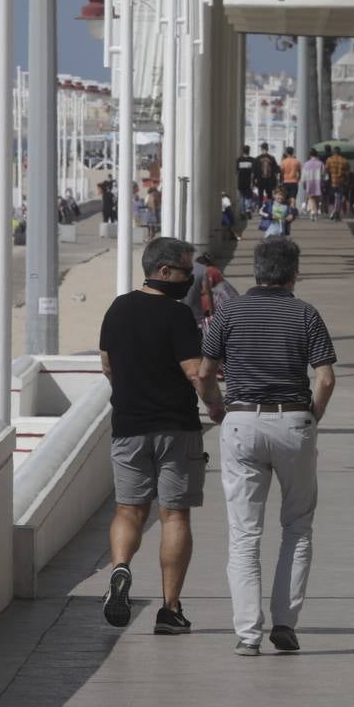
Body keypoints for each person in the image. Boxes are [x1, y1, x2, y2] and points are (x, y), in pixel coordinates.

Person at [198, 237, 338, 656]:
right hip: (293, 419)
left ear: (257, 270)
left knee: (244, 535)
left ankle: (247, 634)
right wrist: (312, 415)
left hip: (241, 419)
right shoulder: (305, 314)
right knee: (297, 526)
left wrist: (218, 408)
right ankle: (285, 624)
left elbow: (205, 373)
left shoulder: (230, 311)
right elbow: (326, 378)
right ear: (294, 273)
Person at [97, 237, 225, 634]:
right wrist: (217, 408)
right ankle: (169, 610)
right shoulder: (176, 316)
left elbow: (107, 365)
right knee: (174, 515)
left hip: (129, 427)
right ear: (165, 271)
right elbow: (195, 372)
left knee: (128, 509)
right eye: (187, 272)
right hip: (176, 428)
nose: (191, 279)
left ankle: (120, 567)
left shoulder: (117, 309)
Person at [326, 147, 350, 220]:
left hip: (332, 182)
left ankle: (332, 211)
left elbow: (326, 170)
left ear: (333, 152)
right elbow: (347, 171)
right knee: (339, 198)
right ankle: (337, 212)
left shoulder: (329, 160)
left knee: (331, 198)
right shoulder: (344, 160)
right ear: (340, 152)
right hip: (340, 182)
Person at [301, 151, 325, 220]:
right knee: (317, 197)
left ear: (309, 155)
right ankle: (315, 211)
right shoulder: (320, 163)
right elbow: (324, 174)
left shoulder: (306, 164)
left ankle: (312, 211)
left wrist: (303, 183)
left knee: (311, 197)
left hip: (309, 182)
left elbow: (303, 176)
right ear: (317, 155)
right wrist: (323, 181)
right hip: (318, 182)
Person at [236, 145, 255, 217]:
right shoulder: (252, 160)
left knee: (242, 197)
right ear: (249, 151)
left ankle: (242, 212)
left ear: (242, 151)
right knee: (249, 196)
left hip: (240, 181)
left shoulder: (239, 160)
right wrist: (252, 182)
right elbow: (253, 173)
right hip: (248, 181)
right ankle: (248, 209)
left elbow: (237, 172)